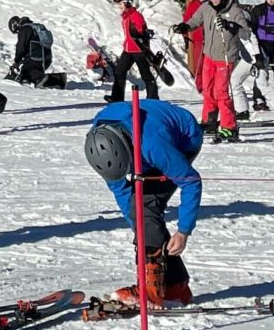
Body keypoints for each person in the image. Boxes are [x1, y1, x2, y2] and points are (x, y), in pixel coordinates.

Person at [82, 90, 204, 307]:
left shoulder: (154, 146)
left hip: (182, 140)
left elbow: (191, 180)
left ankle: (153, 290)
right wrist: (141, 229)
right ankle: (177, 287)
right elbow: (121, 191)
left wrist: (184, 230)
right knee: (144, 215)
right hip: (143, 140)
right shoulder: (101, 145)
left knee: (146, 206)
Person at [180, 0, 247, 141]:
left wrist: (231, 26)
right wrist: (184, 27)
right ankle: (210, 121)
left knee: (221, 92)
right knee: (208, 90)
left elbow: (246, 32)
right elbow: (194, 21)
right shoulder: (206, 7)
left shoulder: (235, 11)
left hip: (225, 57)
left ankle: (229, 126)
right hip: (209, 55)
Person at [104, 0, 155, 102]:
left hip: (138, 50)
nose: (119, 6)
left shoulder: (135, 15)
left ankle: (153, 98)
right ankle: (117, 98)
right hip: (128, 49)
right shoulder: (126, 16)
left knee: (145, 74)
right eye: (119, 4)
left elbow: (141, 29)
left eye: (121, 4)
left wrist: (144, 32)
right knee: (119, 71)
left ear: (127, 3)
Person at [7, 14, 57, 87]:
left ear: (15, 25)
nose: (18, 32)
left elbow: (20, 48)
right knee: (30, 68)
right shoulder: (37, 28)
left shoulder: (24, 29)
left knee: (23, 69)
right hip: (46, 60)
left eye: (17, 31)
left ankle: (32, 81)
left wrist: (16, 62)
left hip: (35, 60)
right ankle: (51, 80)